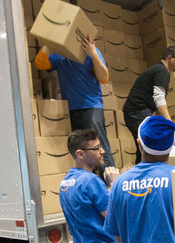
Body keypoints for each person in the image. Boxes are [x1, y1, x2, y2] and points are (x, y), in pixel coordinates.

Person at [35, 35, 115, 172]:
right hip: (71, 111)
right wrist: (49, 43)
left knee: (99, 149)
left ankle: (111, 184)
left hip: (91, 108)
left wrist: (93, 53)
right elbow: (39, 63)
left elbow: (104, 78)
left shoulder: (89, 53)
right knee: (81, 153)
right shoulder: (60, 56)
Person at [122, 46, 175, 164]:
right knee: (149, 147)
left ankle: (141, 175)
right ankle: (144, 177)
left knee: (144, 147)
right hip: (137, 110)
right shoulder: (162, 72)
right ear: (170, 58)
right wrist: (170, 124)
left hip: (136, 111)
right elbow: (159, 98)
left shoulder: (158, 70)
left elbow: (157, 103)